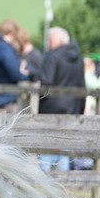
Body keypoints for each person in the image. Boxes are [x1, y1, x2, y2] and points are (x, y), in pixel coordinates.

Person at [37, 27, 85, 172]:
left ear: (59, 39)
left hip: (51, 107)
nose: (48, 43)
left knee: (47, 147)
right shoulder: (79, 59)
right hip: (73, 107)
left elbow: (46, 82)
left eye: (50, 39)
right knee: (64, 147)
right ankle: (65, 182)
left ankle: (44, 181)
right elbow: (82, 85)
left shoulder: (53, 56)